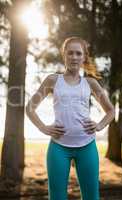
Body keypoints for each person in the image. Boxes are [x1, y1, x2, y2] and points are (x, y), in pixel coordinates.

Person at [26, 36, 115, 200]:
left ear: (84, 57)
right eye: (70, 53)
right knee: (57, 197)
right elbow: (30, 107)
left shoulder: (90, 83)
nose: (74, 57)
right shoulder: (53, 80)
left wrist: (100, 125)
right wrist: (43, 127)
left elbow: (110, 111)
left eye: (78, 53)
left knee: (91, 197)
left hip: (87, 146)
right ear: (64, 55)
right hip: (59, 148)